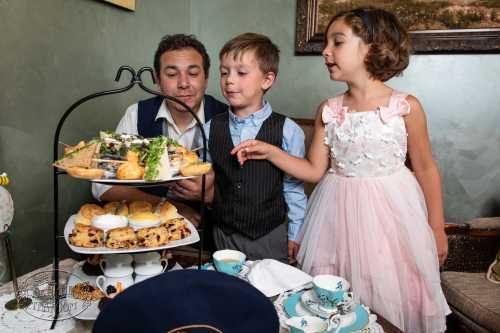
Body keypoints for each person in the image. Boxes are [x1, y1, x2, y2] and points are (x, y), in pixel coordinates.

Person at [232, 8, 450, 332]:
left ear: (372, 47)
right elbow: (313, 170)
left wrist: (436, 227)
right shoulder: (329, 110)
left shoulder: (405, 107)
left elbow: (427, 168)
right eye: (325, 43)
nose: (325, 51)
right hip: (336, 220)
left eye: (337, 42)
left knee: (387, 290)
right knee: (336, 299)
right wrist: (271, 152)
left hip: (392, 221)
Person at [92, 34, 227, 226]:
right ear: (158, 80)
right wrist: (166, 205)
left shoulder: (228, 118)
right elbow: (101, 186)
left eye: (193, 73)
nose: (183, 83)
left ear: (205, 78)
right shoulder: (136, 114)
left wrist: (209, 195)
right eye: (172, 74)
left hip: (215, 233)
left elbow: (251, 195)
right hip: (148, 226)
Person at [198, 32, 307, 263]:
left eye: (241, 73)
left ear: (267, 80)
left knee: (268, 293)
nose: (229, 80)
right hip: (223, 234)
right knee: (226, 292)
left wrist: (296, 233)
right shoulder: (209, 128)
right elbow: (205, 180)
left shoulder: (288, 130)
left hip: (269, 235)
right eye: (224, 72)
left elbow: (293, 188)